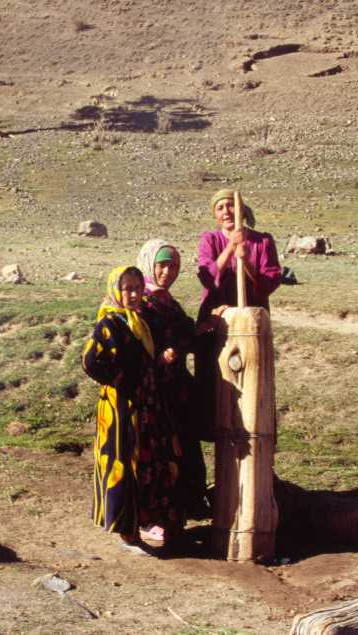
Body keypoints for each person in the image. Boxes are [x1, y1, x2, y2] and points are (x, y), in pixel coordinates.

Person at [82, 266, 182, 552]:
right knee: (122, 464)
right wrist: (120, 380)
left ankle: (142, 522)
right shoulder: (110, 324)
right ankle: (126, 531)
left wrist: (161, 359)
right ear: (116, 290)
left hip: (145, 406)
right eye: (128, 288)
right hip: (120, 410)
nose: (135, 294)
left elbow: (144, 359)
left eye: (138, 287)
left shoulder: (140, 322)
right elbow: (90, 361)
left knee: (146, 463)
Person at [195, 189, 282, 435]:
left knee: (256, 388)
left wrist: (249, 264)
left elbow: (269, 283)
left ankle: (262, 466)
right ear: (215, 214)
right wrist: (231, 248)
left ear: (241, 208)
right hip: (216, 324)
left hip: (252, 326)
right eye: (220, 208)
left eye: (230, 206)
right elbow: (207, 278)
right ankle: (226, 466)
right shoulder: (210, 240)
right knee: (219, 392)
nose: (226, 212)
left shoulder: (263, 241)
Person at [137, 239, 208, 520]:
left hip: (177, 388)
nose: (169, 272)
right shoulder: (138, 301)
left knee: (184, 447)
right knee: (160, 451)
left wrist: (202, 329)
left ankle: (185, 507)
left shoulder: (169, 302)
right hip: (153, 391)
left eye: (174, 266)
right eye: (163, 265)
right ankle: (158, 515)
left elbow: (187, 334)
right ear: (149, 264)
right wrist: (158, 358)